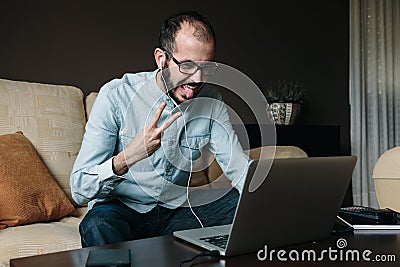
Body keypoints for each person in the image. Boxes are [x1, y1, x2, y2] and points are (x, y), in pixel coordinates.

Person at [70, 10, 250, 247]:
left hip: (177, 212)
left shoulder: (211, 102)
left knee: (246, 206)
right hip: (123, 210)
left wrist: (276, 197)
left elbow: (239, 170)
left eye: (206, 68)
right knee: (97, 225)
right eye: (187, 66)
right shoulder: (116, 96)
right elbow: (80, 189)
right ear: (160, 59)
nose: (197, 79)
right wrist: (128, 157)